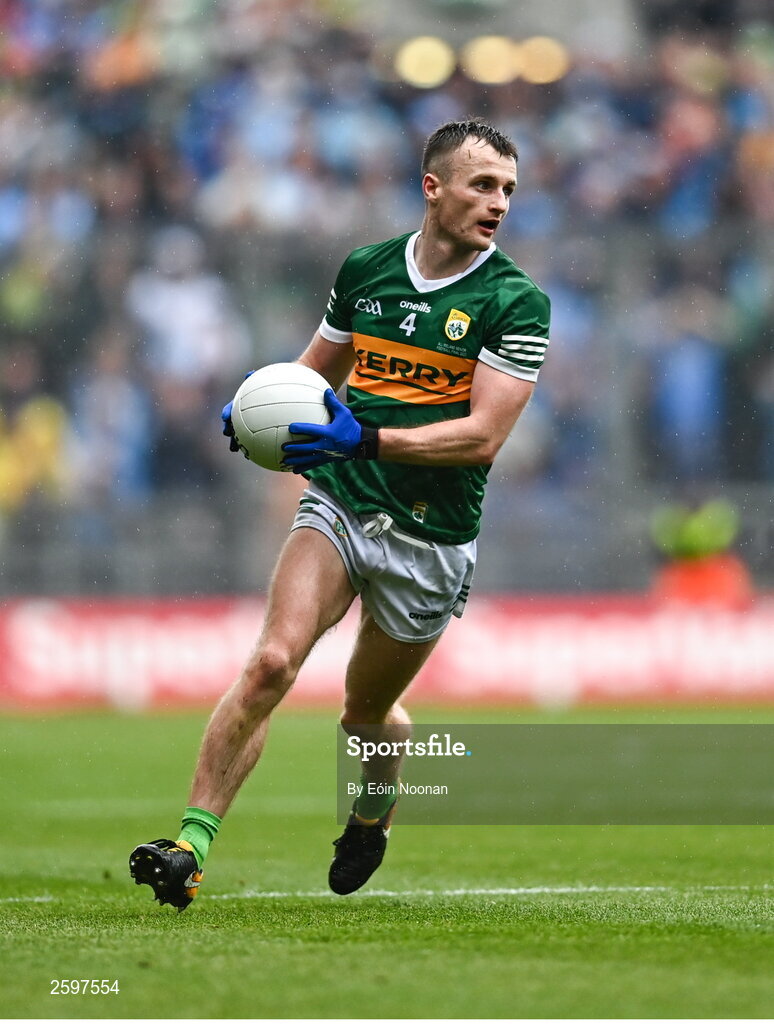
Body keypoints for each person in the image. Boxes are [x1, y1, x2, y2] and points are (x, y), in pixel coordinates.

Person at [129, 118, 551, 910]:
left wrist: (367, 437)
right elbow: (312, 369)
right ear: (434, 188)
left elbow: (483, 437)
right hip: (341, 504)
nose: (498, 203)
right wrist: (258, 407)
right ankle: (189, 845)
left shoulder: (515, 302)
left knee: (367, 716)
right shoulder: (366, 270)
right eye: (482, 185)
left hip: (431, 537)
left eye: (507, 191)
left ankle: (371, 813)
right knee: (272, 663)